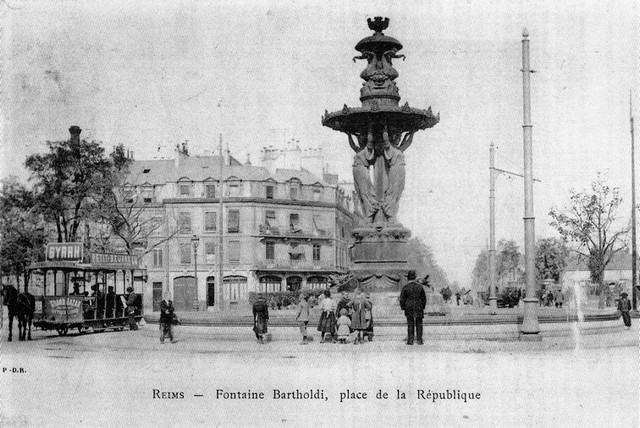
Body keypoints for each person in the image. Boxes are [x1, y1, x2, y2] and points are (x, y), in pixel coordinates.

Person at [399, 270, 427, 345]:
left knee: (410, 324)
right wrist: (422, 307)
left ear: (408, 278)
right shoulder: (420, 287)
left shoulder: (405, 287)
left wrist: (403, 307)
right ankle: (419, 340)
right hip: (418, 306)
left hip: (409, 307)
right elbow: (424, 299)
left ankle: (410, 341)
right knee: (419, 323)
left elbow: (402, 299)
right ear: (414, 278)